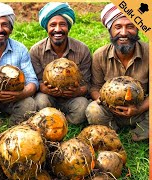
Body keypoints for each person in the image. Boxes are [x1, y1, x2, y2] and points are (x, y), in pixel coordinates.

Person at [85, 3, 149, 141]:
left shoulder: (149, 53)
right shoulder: (99, 55)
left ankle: (139, 133)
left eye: (130, 26)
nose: (124, 33)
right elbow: (95, 88)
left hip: (142, 110)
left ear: (137, 29)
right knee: (93, 110)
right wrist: (106, 103)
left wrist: (139, 109)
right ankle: (112, 132)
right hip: (111, 112)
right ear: (110, 30)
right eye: (118, 27)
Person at [30, 2, 91, 124]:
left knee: (83, 106)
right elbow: (36, 82)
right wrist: (45, 89)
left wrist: (78, 91)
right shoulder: (36, 50)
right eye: (53, 25)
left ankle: (62, 123)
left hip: (73, 98)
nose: (57, 29)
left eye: (62, 24)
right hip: (48, 97)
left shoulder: (82, 49)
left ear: (68, 27)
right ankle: (52, 121)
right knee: (40, 102)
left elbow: (88, 83)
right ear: (47, 27)